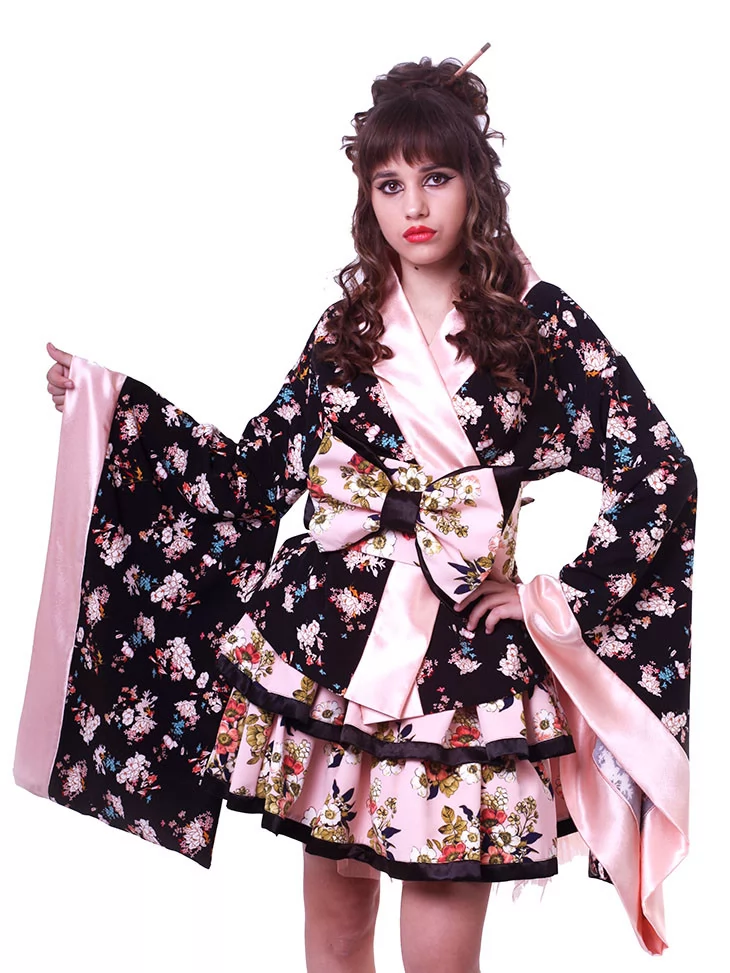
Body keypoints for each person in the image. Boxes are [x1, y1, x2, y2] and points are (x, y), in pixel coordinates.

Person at [17, 55, 695, 972]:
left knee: (438, 956)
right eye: (390, 183)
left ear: (476, 185)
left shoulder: (538, 324)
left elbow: (658, 467)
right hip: (333, 654)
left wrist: (560, 595)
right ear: (367, 196)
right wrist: (108, 409)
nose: (414, 205)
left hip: (461, 670)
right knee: (336, 935)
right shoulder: (347, 327)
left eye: (436, 177)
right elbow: (253, 478)